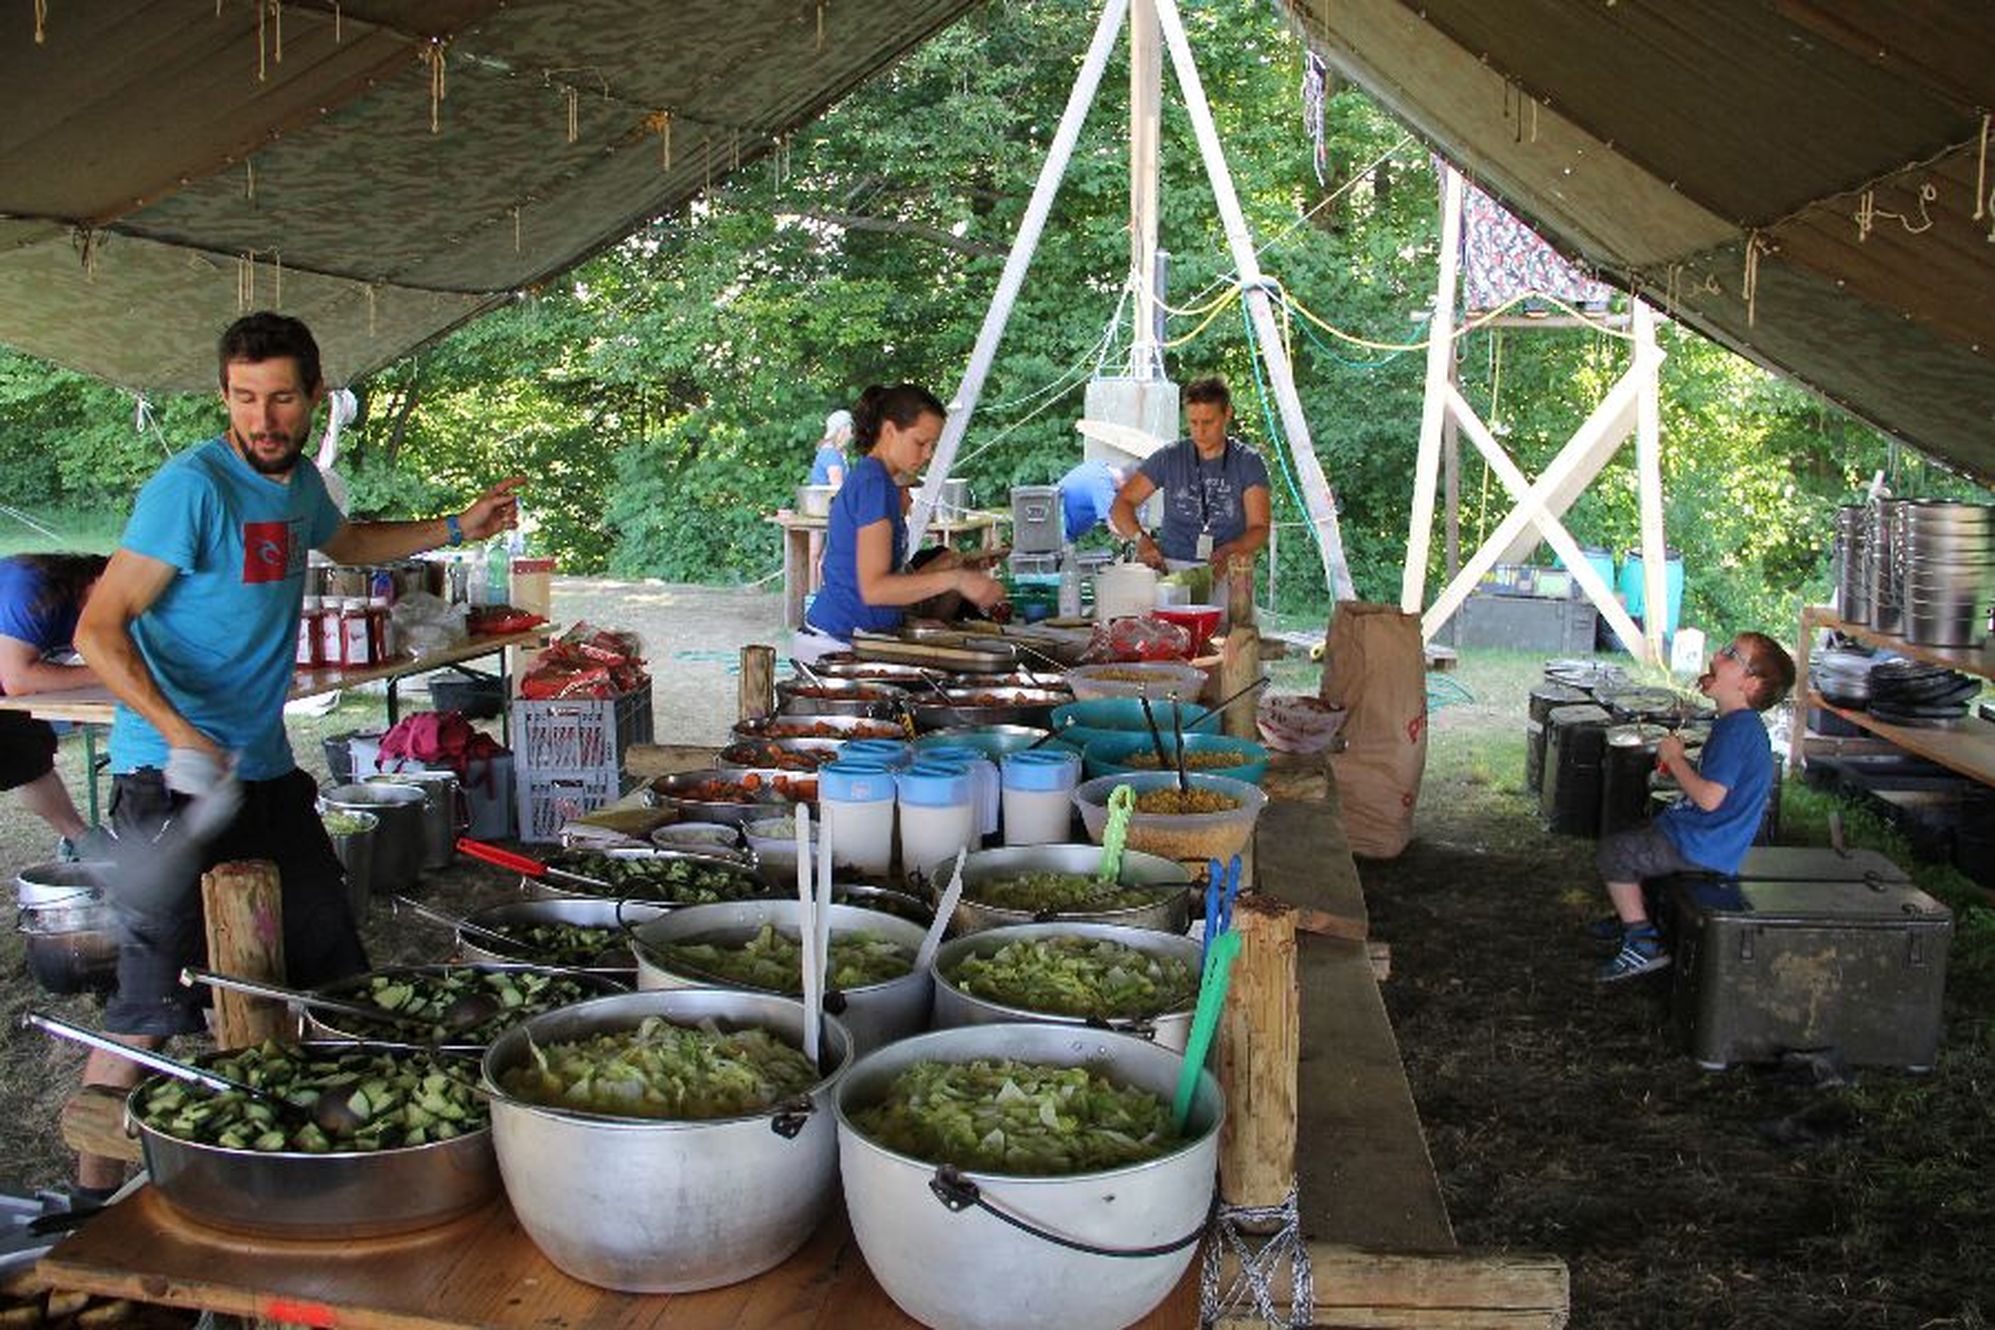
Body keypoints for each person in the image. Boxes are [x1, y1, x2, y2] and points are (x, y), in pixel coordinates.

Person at [69, 311, 523, 1198]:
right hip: (167, 777)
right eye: (245, 398)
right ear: (223, 397)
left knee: (332, 973)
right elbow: (99, 627)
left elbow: (348, 543)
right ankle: (88, 1200)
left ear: (315, 395)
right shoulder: (191, 490)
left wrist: (456, 526)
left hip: (267, 775)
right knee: (150, 1008)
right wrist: (180, 732)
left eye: (280, 398)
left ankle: (328, 1164)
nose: (263, 418)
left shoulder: (300, 483)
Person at [1591, 631, 1797, 983]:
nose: (1717, 655)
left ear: (1750, 684)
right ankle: (1636, 911)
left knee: (1614, 853)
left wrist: (1674, 760)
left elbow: (1709, 798)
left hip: (1704, 844)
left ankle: (1642, 940)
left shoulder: (1737, 731)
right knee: (1636, 834)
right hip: (1703, 835)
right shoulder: (1736, 725)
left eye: (1731, 655)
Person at [796, 383, 1005, 661]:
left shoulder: (874, 479)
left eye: (932, 445)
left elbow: (882, 580)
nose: (928, 454)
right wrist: (957, 579)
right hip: (836, 643)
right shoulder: (874, 484)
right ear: (889, 431)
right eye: (920, 443)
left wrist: (947, 568)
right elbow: (875, 589)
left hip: (852, 638)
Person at [0, 552, 109, 858]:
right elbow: (18, 678)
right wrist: (112, 673)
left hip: (7, 694)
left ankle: (83, 842)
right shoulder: (29, 587)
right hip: (9, 684)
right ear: (100, 580)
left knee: (31, 759)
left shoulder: (90, 610)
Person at [1107, 377, 1271, 577]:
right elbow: (1121, 504)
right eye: (1193, 422)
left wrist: (1232, 550)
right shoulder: (1170, 456)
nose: (1200, 431)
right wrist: (1141, 540)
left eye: (1208, 422)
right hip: (1171, 568)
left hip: (1228, 569)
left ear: (1227, 413)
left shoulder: (1247, 461)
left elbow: (1259, 527)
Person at [1057, 458, 1126, 543]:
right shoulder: (1102, 485)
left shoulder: (1099, 466)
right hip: (1057, 536)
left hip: (1055, 528)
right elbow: (1115, 526)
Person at [808, 408, 852, 489]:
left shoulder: (831, 451)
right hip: (824, 497)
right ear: (843, 430)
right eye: (850, 428)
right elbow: (838, 489)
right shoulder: (831, 454)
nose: (851, 434)